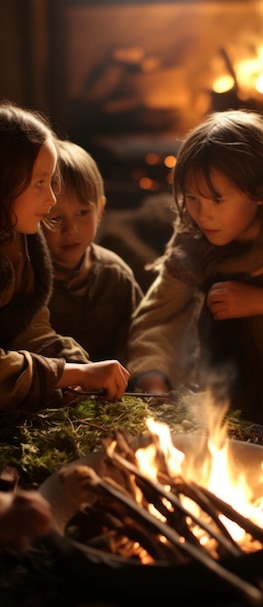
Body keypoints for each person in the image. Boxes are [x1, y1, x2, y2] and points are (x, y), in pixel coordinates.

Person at [127, 109, 263, 424]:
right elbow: (159, 315)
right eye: (192, 198)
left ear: (261, 192)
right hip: (219, 400)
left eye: (217, 200)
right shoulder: (193, 240)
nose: (203, 214)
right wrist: (153, 377)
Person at [0, 101, 130, 412]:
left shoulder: (17, 239)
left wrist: (74, 364)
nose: (52, 198)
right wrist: (71, 374)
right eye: (39, 184)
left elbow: (28, 328)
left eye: (50, 181)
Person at [42, 139, 144, 365]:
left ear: (100, 211)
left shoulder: (115, 275)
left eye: (82, 212)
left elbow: (141, 339)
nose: (71, 229)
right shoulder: (27, 278)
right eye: (55, 218)